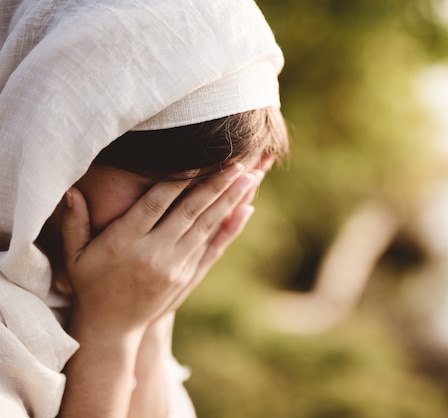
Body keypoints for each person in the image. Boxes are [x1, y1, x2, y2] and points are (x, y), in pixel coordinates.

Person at [0, 1, 288, 417]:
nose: (174, 234)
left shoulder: (88, 293)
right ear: (56, 139)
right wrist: (109, 336)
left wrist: (149, 319)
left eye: (212, 199)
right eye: (161, 191)